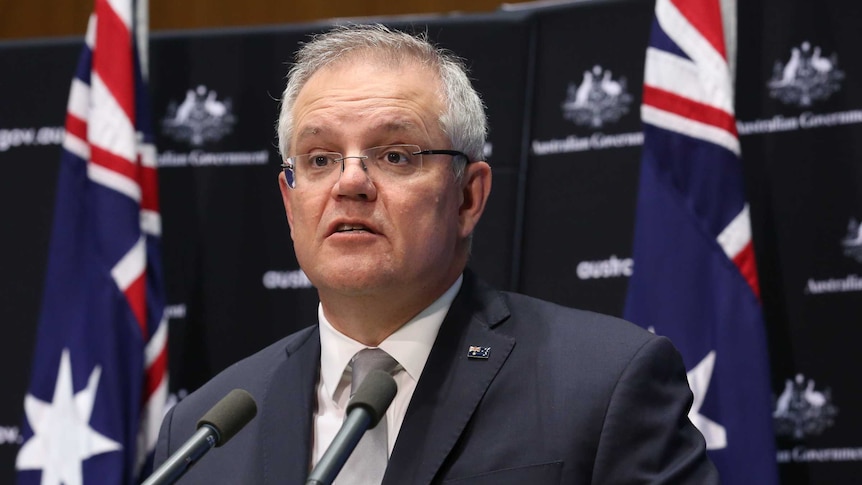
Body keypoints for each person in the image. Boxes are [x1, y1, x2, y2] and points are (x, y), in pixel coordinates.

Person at [153, 24, 719, 484]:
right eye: (320, 159)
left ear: (468, 196)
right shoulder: (203, 432)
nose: (350, 183)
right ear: (289, 199)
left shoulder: (603, 383)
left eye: (395, 155)